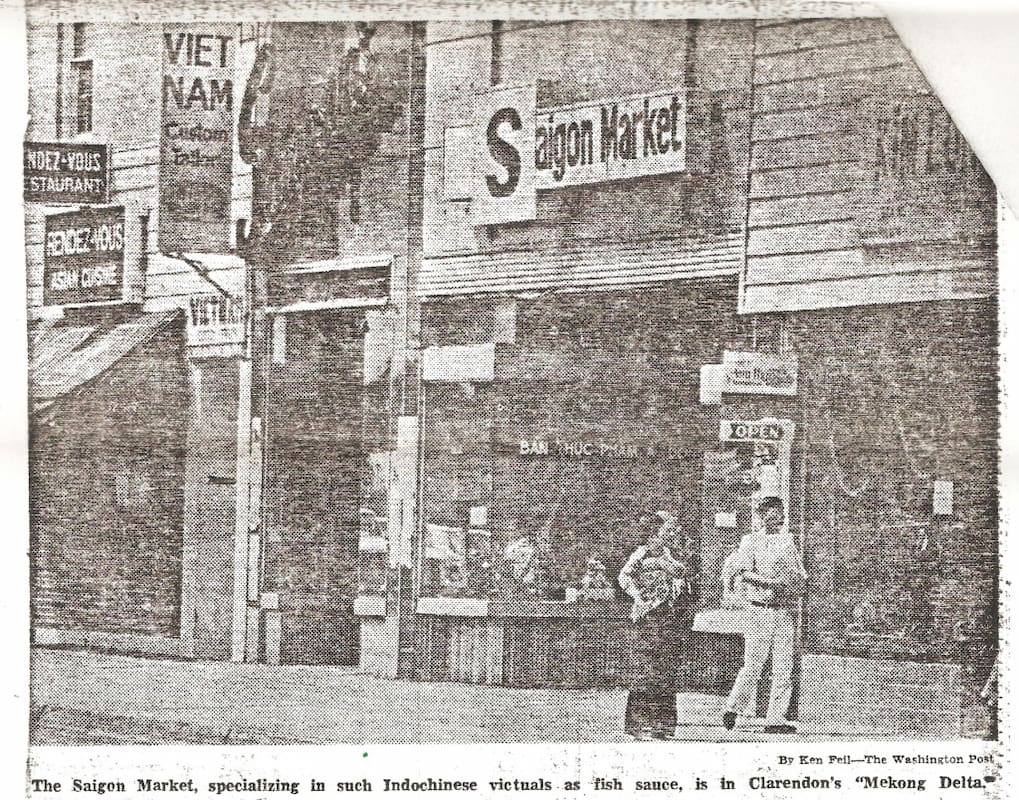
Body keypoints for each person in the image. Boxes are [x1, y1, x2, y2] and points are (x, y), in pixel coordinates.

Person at [721, 496, 807, 734]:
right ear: (761, 516)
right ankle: (733, 708)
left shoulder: (788, 541)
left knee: (784, 666)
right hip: (758, 610)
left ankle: (775, 719)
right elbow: (743, 572)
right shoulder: (750, 541)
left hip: (783, 610)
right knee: (753, 664)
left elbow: (799, 574)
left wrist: (793, 583)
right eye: (772, 513)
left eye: (781, 513)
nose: (778, 517)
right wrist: (770, 582)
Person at [618, 510, 696, 740]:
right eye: (667, 530)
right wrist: (638, 597)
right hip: (648, 617)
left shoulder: (668, 554)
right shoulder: (641, 553)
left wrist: (671, 570)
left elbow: (680, 573)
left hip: (667, 616)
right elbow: (624, 577)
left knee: (666, 670)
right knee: (646, 671)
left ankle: (663, 726)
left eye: (672, 530)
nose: (671, 533)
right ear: (654, 534)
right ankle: (639, 725)